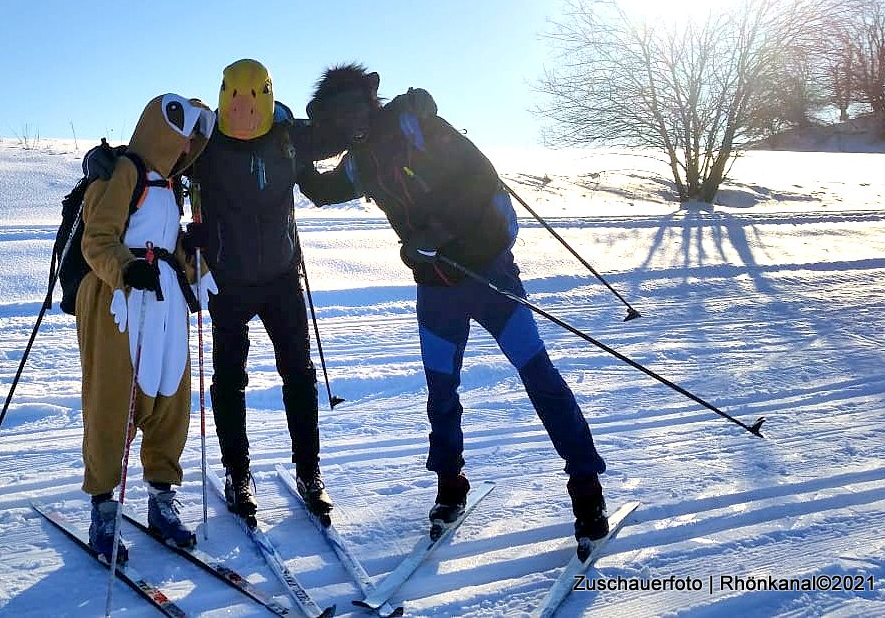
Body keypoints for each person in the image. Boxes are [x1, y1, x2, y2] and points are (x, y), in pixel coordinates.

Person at [297, 63, 609, 541]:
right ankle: (450, 483)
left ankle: (585, 486)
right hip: (436, 286)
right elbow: (320, 191)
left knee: (537, 374)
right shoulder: (361, 159)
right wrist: (286, 150)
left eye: (344, 114)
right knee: (441, 391)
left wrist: (436, 233)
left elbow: (483, 178)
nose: (339, 127)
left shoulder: (418, 127)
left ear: (365, 104)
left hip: (487, 271)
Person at [182, 58, 335, 525]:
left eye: (254, 98)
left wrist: (370, 166)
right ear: (226, 95)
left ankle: (309, 472)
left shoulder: (287, 140)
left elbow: (322, 184)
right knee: (230, 380)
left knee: (298, 374)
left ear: (267, 95)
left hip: (282, 278)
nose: (245, 110)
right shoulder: (205, 143)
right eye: (236, 98)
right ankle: (237, 474)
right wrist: (102, 164)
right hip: (228, 281)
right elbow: (156, 154)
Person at [76, 93, 215, 559]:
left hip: (165, 304)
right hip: (122, 302)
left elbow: (169, 247)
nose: (186, 147)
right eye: (183, 136)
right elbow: (96, 241)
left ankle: (161, 500)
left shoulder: (170, 185)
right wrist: (125, 268)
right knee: (115, 401)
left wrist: (195, 266)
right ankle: (104, 512)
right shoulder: (123, 174)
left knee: (170, 397)